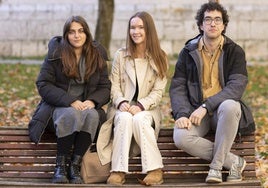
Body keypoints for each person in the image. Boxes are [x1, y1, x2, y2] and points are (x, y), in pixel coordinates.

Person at [169, 2, 255, 183]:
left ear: (224, 25)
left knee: (231, 105)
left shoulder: (235, 51)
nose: (213, 24)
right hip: (196, 113)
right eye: (207, 19)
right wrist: (182, 113)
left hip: (223, 113)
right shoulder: (188, 52)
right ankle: (234, 162)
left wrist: (206, 106)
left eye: (217, 20)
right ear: (201, 25)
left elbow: (236, 87)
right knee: (181, 137)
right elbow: (177, 87)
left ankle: (216, 168)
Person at [28, 15, 111, 184]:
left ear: (87, 34)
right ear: (66, 35)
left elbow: (105, 87)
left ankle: (75, 166)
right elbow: (43, 84)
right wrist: (70, 101)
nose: (77, 35)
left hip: (85, 109)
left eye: (81, 31)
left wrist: (93, 102)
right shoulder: (56, 54)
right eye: (72, 32)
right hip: (56, 110)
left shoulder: (97, 56)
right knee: (71, 114)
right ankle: (60, 167)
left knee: (93, 115)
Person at [96, 11, 169, 186]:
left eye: (141, 27)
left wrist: (141, 105)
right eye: (132, 27)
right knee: (124, 118)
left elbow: (158, 92)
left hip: (148, 110)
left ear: (149, 30)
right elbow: (113, 85)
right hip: (122, 108)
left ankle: (155, 170)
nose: (136, 31)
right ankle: (118, 171)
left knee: (139, 120)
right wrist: (121, 102)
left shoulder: (160, 57)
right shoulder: (121, 56)